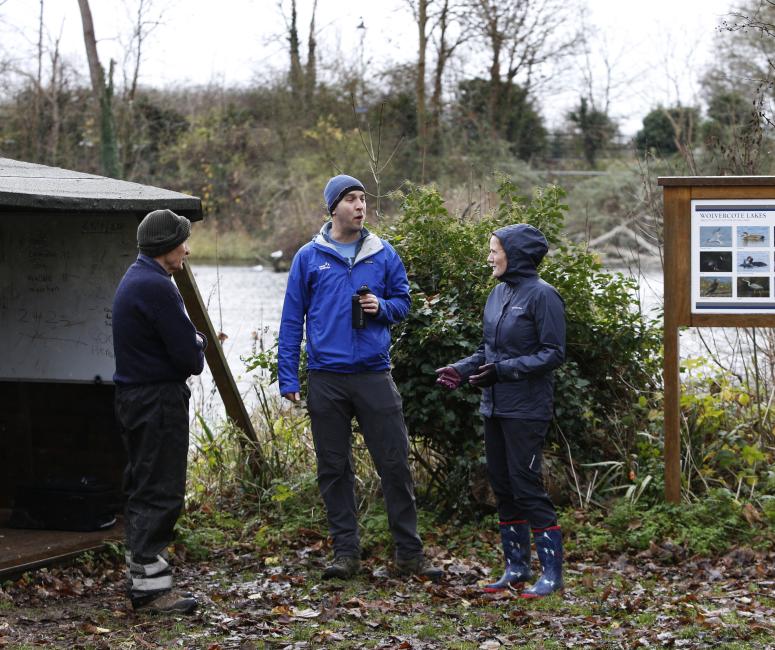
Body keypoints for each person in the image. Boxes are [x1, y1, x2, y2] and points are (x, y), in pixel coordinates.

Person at [278, 174, 441, 582]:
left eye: (362, 199)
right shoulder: (308, 257)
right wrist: (288, 378)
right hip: (326, 378)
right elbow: (290, 320)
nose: (359, 205)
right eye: (350, 199)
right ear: (333, 207)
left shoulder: (382, 253)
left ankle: (409, 554)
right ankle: (345, 554)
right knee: (334, 468)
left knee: (394, 464)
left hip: (373, 375)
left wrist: (380, 306)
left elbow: (404, 303)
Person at [436, 224, 565, 598]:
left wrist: (504, 371)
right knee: (502, 486)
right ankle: (517, 568)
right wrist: (461, 370)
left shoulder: (544, 296)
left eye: (495, 250)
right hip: (493, 406)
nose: (489, 257)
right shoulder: (496, 294)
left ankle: (552, 576)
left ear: (517, 254)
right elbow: (488, 351)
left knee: (526, 486)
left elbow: (553, 353)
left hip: (527, 408)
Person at [112, 208, 207, 613]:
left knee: (143, 486)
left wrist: (192, 340)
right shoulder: (157, 286)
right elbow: (190, 357)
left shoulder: (137, 278)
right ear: (166, 246)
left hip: (136, 398)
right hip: (157, 401)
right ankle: (151, 592)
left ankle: (143, 579)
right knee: (160, 491)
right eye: (182, 240)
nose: (187, 248)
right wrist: (199, 341)